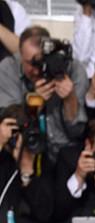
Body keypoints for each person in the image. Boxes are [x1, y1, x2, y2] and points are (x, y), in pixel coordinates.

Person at [0, 26, 88, 163]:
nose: (36, 70)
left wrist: (70, 99)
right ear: (20, 55)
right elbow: (9, 127)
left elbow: (77, 132)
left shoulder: (73, 69)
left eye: (41, 62)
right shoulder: (8, 69)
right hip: (26, 152)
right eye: (31, 63)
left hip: (66, 153)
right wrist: (34, 103)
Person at [0, 101, 54, 223]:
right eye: (12, 128)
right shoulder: (3, 159)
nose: (16, 136)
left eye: (21, 131)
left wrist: (27, 170)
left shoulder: (39, 160)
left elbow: (45, 213)